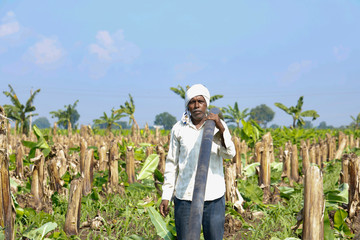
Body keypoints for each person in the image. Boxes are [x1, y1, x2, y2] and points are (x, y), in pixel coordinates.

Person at [159, 84, 236, 240]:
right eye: (192, 102)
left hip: (213, 197)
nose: (196, 105)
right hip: (185, 197)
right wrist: (166, 195)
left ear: (206, 103)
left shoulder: (217, 126)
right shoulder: (178, 128)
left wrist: (220, 127)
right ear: (188, 105)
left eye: (200, 101)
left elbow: (230, 154)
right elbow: (171, 164)